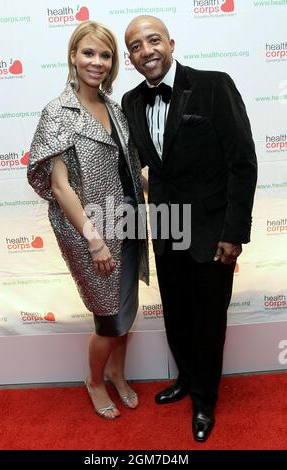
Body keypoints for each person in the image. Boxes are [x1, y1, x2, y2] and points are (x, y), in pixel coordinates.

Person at [122, 15, 257, 441]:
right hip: (166, 225)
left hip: (213, 229)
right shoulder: (130, 101)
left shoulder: (214, 85)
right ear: (131, 58)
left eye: (153, 40)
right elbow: (143, 166)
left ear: (171, 43)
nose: (147, 51)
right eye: (137, 46)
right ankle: (184, 378)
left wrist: (233, 232)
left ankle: (204, 399)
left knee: (209, 320)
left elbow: (242, 163)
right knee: (177, 315)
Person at [28, 20, 148, 420]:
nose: (97, 62)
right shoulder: (57, 111)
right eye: (89, 53)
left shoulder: (116, 108)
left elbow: (130, 168)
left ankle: (117, 372)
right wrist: (94, 240)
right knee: (107, 316)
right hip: (91, 231)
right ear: (73, 57)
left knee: (126, 310)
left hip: (127, 222)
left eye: (106, 55)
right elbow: (60, 187)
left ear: (114, 62)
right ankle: (95, 380)